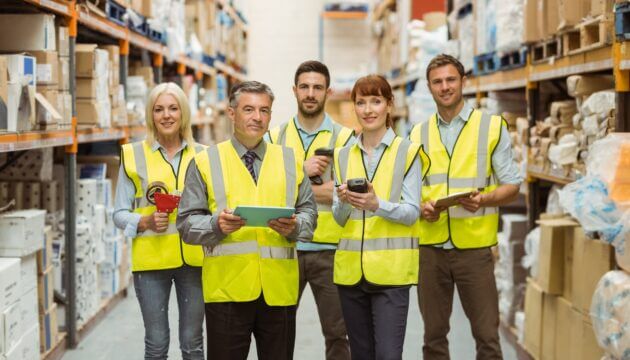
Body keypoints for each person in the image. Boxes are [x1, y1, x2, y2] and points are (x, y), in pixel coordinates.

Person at [176, 81, 318, 360]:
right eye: (249, 109)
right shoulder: (206, 161)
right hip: (227, 290)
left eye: (264, 110)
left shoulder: (290, 160)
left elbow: (309, 215)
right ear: (231, 113)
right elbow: (186, 224)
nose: (257, 117)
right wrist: (216, 225)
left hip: (279, 291)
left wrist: (296, 226)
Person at [409, 54, 522, 360]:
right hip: (430, 249)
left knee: (486, 336)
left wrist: (483, 199)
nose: (445, 87)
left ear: (463, 82)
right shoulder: (417, 134)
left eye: (450, 80)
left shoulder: (491, 127)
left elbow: (512, 184)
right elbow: (409, 192)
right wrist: (423, 207)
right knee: (433, 338)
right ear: (429, 87)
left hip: (474, 249)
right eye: (437, 82)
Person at [332, 75, 426, 360]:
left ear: (389, 105)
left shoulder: (408, 152)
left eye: (376, 101)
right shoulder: (343, 154)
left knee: (387, 355)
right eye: (361, 102)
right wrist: (346, 202)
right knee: (361, 355)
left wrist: (377, 205)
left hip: (391, 275)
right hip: (350, 275)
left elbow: (412, 213)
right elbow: (338, 217)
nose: (368, 109)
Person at [267, 60, 353, 360]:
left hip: (330, 249)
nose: (310, 93)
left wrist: (292, 186)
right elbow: (265, 193)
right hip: (285, 247)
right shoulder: (274, 138)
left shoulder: (345, 140)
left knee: (338, 334)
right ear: (294, 91)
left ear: (328, 92)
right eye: (304, 87)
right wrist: (303, 174)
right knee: (278, 331)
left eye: (317, 87)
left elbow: (346, 196)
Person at [113, 82, 206, 360]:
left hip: (195, 261)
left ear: (183, 113)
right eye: (159, 109)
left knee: (193, 343)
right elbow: (118, 213)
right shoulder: (133, 155)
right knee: (156, 344)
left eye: (173, 108)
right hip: (151, 263)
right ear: (151, 115)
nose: (166, 115)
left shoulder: (203, 155)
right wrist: (145, 222)